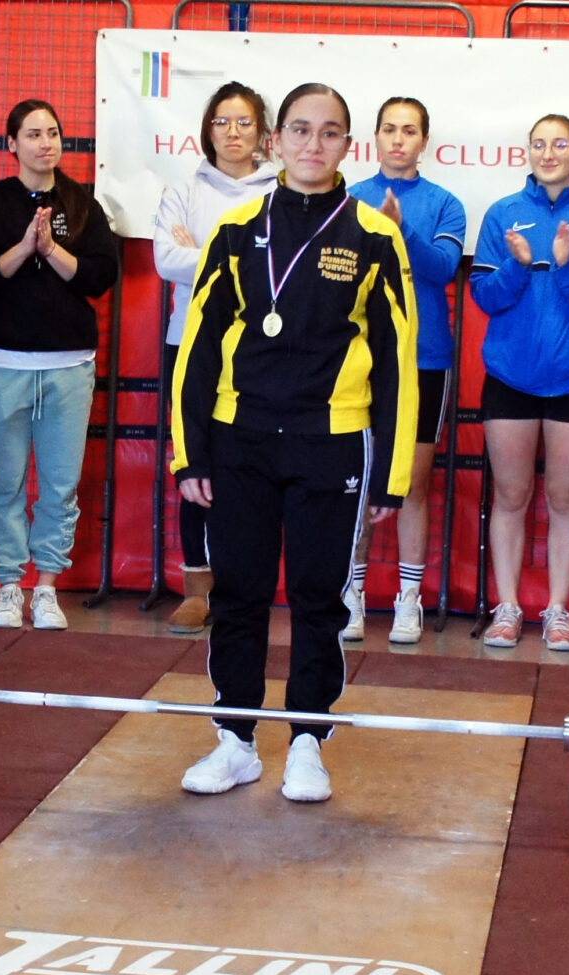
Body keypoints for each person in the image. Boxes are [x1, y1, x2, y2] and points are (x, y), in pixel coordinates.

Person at [170, 83, 416, 804]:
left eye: (330, 132)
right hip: (239, 438)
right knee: (238, 592)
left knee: (318, 596)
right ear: (275, 140)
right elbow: (198, 347)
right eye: (301, 130)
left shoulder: (375, 234)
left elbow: (399, 359)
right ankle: (236, 740)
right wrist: (190, 453)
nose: (314, 144)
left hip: (331, 442)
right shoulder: (236, 227)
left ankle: (308, 739)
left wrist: (391, 473)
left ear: (348, 146)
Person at [0, 98, 121, 630]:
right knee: (5, 481)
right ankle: (8, 585)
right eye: (32, 134)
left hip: (69, 364)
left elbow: (100, 276)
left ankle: (46, 587)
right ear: (12, 143)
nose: (45, 143)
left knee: (60, 483)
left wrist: (50, 250)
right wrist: (25, 246)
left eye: (52, 132)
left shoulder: (84, 203)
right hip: (3, 362)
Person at [468, 113, 569, 650]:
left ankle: (558, 610)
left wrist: (567, 269)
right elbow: (486, 297)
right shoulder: (503, 214)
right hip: (510, 378)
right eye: (539, 144)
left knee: (564, 496)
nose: (548, 153)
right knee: (511, 495)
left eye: (560, 144)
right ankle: (508, 607)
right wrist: (517, 266)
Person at [153, 81, 274, 635]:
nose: (232, 132)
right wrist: (235, 255)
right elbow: (166, 261)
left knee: (254, 464)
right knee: (193, 461)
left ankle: (245, 586)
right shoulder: (183, 191)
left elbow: (276, 267)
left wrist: (201, 252)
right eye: (222, 122)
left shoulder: (279, 193)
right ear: (207, 130)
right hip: (190, 342)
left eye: (244, 122)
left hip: (258, 346)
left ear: (262, 132)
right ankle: (197, 589)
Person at [344, 96, 464, 645]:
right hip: (359, 360)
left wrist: (399, 230)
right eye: (389, 129)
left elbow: (442, 269)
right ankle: (351, 593)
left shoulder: (445, 204)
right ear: (374, 137)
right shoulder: (348, 198)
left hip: (425, 359)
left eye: (409, 130)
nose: (398, 139)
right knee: (356, 478)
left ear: (424, 141)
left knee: (413, 482)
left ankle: (409, 598)